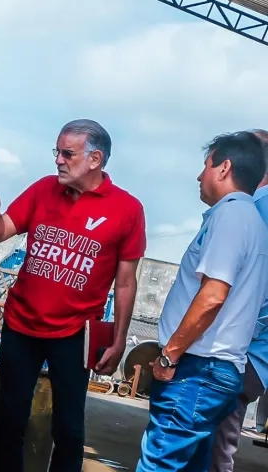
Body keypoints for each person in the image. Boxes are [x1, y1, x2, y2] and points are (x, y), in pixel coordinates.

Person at [0, 119, 146, 472]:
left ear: (95, 159)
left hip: (74, 334)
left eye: (67, 154)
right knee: (9, 419)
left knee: (68, 428)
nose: (58, 161)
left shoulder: (127, 210)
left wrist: (118, 339)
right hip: (21, 325)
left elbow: (126, 282)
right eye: (58, 152)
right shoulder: (42, 190)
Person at [136, 131, 268, 472]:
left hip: (198, 368)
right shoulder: (248, 219)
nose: (199, 175)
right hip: (211, 369)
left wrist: (169, 355)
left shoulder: (233, 215)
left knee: (158, 464)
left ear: (224, 168)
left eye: (205, 165)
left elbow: (212, 296)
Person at [209, 129, 268, 472]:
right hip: (250, 353)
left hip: (240, 352)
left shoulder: (254, 208)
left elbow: (247, 288)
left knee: (213, 446)